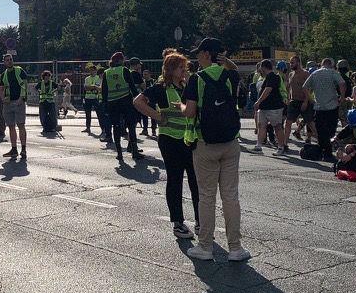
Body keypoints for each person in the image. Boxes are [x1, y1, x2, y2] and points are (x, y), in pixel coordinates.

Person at [180, 38, 249, 262]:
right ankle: (236, 248)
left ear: (207, 55)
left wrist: (180, 106)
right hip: (230, 142)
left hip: (205, 144)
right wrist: (226, 60)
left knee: (207, 197)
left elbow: (190, 112)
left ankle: (205, 247)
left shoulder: (196, 79)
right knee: (231, 196)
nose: (196, 57)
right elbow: (235, 71)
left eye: (199, 53)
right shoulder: (230, 76)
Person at [134, 51, 200, 239]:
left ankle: (200, 221)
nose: (184, 70)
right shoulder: (161, 88)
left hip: (189, 139)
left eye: (184, 67)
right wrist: (157, 116)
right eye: (181, 67)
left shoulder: (187, 85)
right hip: (170, 140)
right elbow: (138, 101)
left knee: (196, 181)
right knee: (175, 180)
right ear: (171, 69)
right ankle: (178, 223)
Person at [103, 52, 144, 163]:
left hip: (112, 103)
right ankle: (134, 151)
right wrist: (139, 99)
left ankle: (119, 153)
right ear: (121, 60)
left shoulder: (106, 73)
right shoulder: (124, 70)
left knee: (116, 127)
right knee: (131, 126)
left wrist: (105, 107)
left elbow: (104, 92)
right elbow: (132, 87)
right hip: (126, 101)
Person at [302, 58, 345, 160]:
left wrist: (311, 99)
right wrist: (342, 97)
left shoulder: (314, 73)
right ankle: (328, 153)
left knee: (321, 131)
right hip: (332, 106)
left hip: (319, 107)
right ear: (330, 64)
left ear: (321, 64)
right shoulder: (332, 72)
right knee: (330, 130)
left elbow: (304, 87)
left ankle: (324, 151)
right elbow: (342, 83)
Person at [253, 59, 288, 155]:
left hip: (274, 108)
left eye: (261, 68)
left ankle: (281, 147)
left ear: (264, 67)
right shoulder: (266, 77)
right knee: (261, 126)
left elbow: (268, 90)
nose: (260, 70)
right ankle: (258, 146)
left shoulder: (273, 77)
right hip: (264, 107)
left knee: (277, 127)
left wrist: (258, 101)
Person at [0, 54, 29, 160]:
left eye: (10, 59)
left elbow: (24, 85)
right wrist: (3, 99)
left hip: (19, 102)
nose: (9, 61)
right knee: (11, 126)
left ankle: (24, 149)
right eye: (7, 60)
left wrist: (21, 99)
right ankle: (14, 149)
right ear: (4, 62)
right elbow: (1, 88)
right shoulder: (4, 74)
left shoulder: (20, 71)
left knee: (21, 125)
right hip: (8, 103)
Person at [284, 56, 312, 144]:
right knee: (288, 122)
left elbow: (309, 89)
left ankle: (322, 144)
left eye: (293, 63)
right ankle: (284, 144)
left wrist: (306, 101)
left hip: (304, 101)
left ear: (298, 63)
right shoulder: (291, 74)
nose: (291, 64)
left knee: (311, 123)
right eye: (290, 63)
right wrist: (288, 99)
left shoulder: (305, 73)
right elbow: (289, 88)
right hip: (294, 102)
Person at [82, 63, 101, 133]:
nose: (91, 72)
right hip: (88, 97)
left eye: (93, 70)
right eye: (90, 70)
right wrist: (93, 87)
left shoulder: (98, 78)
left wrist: (91, 87)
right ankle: (88, 128)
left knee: (99, 114)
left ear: (95, 71)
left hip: (95, 97)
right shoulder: (87, 78)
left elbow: (97, 87)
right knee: (88, 114)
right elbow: (86, 88)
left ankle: (103, 129)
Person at [37, 70, 58, 134]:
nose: (48, 77)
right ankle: (45, 127)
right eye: (46, 75)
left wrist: (54, 91)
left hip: (50, 101)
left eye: (49, 76)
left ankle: (52, 127)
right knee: (43, 115)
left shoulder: (52, 83)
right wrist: (39, 91)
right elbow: (35, 88)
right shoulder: (41, 83)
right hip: (43, 101)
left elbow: (58, 87)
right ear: (44, 76)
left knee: (53, 115)